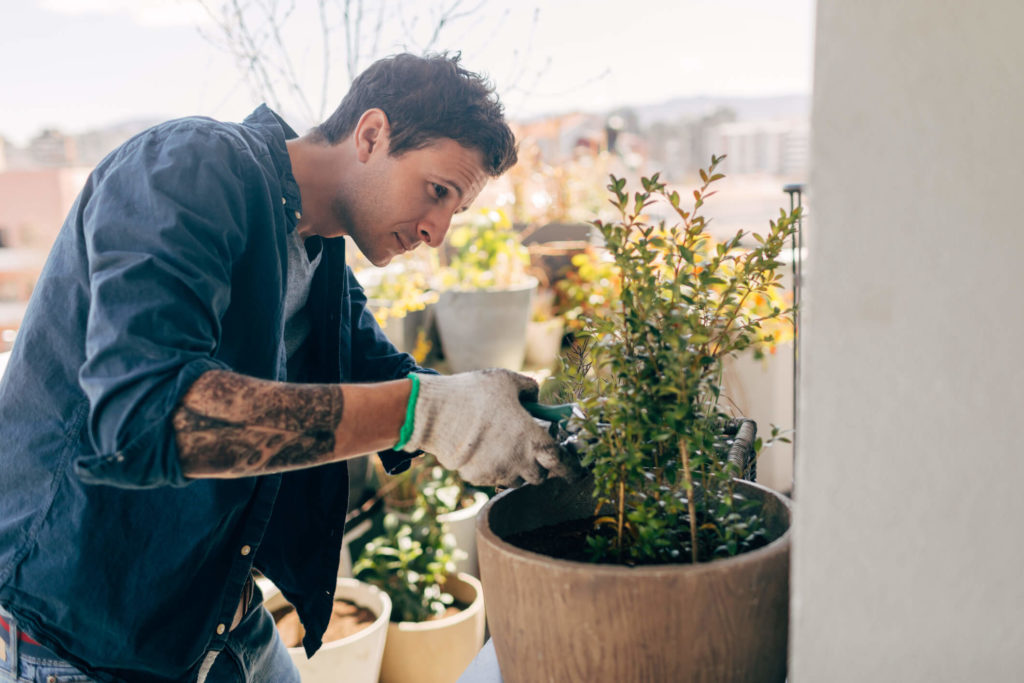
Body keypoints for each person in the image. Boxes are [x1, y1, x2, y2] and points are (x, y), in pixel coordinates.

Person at [0, 53, 581, 683]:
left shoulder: (320, 251)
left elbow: (390, 381)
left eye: (454, 211)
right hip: (82, 640)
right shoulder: (190, 167)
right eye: (437, 191)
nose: (437, 231)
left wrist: (537, 422)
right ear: (371, 134)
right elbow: (148, 419)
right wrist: (429, 415)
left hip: (219, 617)